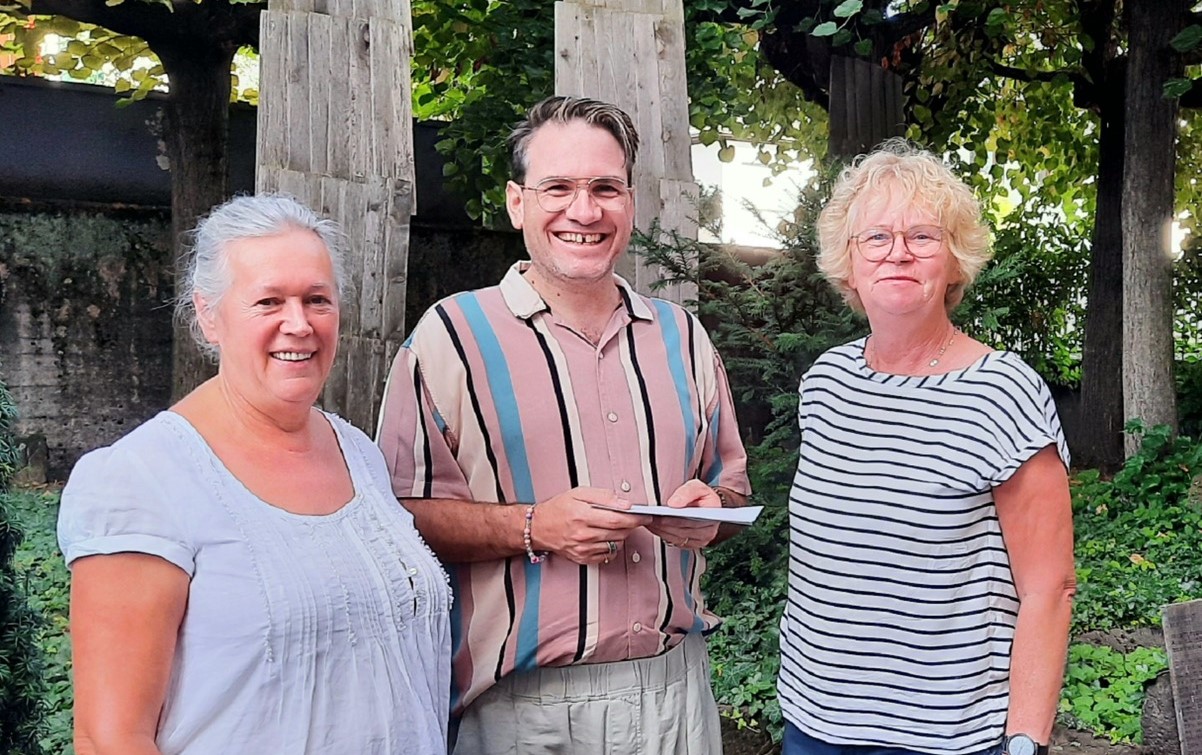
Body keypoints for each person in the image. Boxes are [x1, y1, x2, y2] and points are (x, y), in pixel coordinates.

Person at [376, 95, 751, 754]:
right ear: (518, 202)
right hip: (525, 712)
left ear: (629, 202)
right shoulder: (452, 336)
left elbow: (731, 490)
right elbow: (398, 515)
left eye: (606, 187)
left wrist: (710, 510)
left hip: (677, 696)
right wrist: (534, 525)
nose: (585, 210)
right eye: (559, 188)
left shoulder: (683, 337)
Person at [58, 194, 452, 755]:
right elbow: (108, 739)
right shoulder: (140, 481)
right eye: (268, 301)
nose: (299, 324)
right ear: (208, 315)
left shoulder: (359, 454)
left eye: (317, 300)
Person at [777, 140, 1076, 755]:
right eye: (876, 238)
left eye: (923, 237)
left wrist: (1025, 742)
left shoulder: (1002, 391)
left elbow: (1050, 588)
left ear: (956, 261)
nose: (899, 254)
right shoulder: (826, 383)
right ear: (848, 263)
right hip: (815, 723)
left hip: (948, 736)